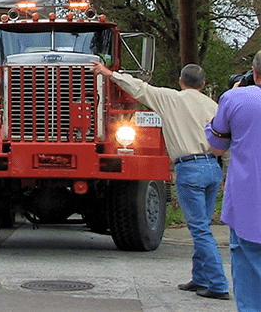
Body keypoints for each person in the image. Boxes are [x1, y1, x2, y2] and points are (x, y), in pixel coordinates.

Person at [91, 61, 229, 300]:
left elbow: (139, 88)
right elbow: (225, 138)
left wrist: (109, 74)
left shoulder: (170, 99)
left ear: (180, 82)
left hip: (190, 169)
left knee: (199, 230)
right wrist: (226, 171)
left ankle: (218, 284)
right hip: (212, 168)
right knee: (203, 225)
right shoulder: (213, 105)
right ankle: (200, 278)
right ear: (204, 84)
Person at [206, 49, 261, 311]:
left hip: (249, 199)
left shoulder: (235, 97)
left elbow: (217, 145)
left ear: (255, 72)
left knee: (249, 275)